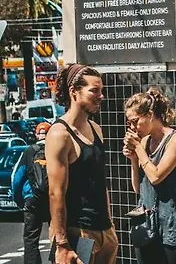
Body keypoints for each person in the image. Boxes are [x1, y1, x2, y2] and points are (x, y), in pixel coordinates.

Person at [45, 64, 118, 264]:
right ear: (74, 92)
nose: (101, 96)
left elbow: (99, 181)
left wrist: (110, 226)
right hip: (78, 233)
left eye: (101, 90)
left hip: (104, 231)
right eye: (94, 90)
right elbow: (56, 193)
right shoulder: (60, 134)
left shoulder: (96, 129)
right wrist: (61, 243)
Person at [123, 87, 176, 264]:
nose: (132, 127)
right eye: (129, 123)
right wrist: (133, 159)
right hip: (146, 223)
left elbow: (156, 177)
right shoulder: (144, 141)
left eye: (135, 121)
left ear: (150, 115)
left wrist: (138, 149)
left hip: (171, 224)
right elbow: (138, 188)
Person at [12, 121, 52, 264]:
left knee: (31, 239)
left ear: (36, 135)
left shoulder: (29, 151)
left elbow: (17, 179)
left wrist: (19, 201)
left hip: (32, 199)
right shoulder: (55, 149)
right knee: (57, 236)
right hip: (53, 199)